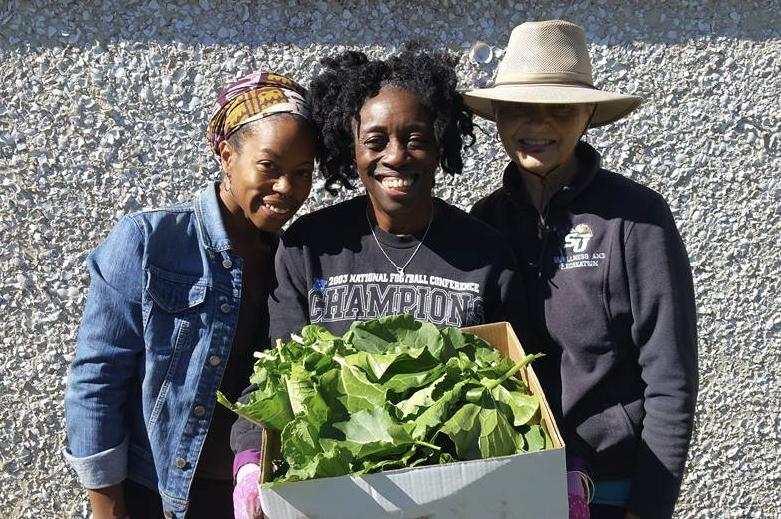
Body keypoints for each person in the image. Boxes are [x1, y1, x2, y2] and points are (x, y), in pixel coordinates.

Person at [230, 47, 526, 517]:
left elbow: (521, 381)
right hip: (332, 496)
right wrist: (250, 461)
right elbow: (275, 375)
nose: (396, 157)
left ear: (441, 144)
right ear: (351, 150)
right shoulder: (310, 248)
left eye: (416, 139)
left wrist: (565, 468)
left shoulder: (486, 254)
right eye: (376, 141)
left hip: (457, 498)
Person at [463, 20, 698, 519]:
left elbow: (670, 376)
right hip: (508, 487)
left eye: (561, 108)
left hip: (609, 491)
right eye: (521, 108)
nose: (539, 124)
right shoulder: (484, 223)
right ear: (498, 115)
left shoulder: (635, 218)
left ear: (587, 114)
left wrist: (650, 506)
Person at [63, 71, 317, 519]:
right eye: (270, 167)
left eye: (301, 173)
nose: (287, 188)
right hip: (157, 494)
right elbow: (96, 380)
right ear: (226, 155)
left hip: (254, 495)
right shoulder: (149, 240)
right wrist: (107, 508)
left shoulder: (291, 259)